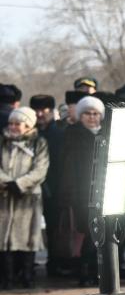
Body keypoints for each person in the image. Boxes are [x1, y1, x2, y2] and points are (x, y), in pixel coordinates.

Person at [57, 95, 104, 286]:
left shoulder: (105, 135)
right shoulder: (73, 135)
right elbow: (68, 168)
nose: (91, 117)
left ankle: (97, 271)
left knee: (102, 233)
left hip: (105, 191)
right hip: (82, 193)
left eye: (95, 113)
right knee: (87, 233)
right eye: (87, 113)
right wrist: (70, 195)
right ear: (80, 115)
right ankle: (85, 271)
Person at [0, 107, 49, 288]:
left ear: (28, 126)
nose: (13, 127)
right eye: (11, 123)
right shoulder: (2, 141)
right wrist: (7, 183)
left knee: (28, 237)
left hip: (28, 198)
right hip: (4, 195)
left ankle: (27, 276)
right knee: (4, 238)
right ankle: (7, 277)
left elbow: (40, 169)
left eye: (17, 124)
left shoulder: (38, 143)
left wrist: (20, 184)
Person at [29, 95, 65, 276]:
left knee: (54, 228)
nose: (40, 114)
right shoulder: (29, 133)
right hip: (32, 188)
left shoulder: (59, 134)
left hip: (54, 187)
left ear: (51, 111)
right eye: (36, 110)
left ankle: (55, 262)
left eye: (44, 110)